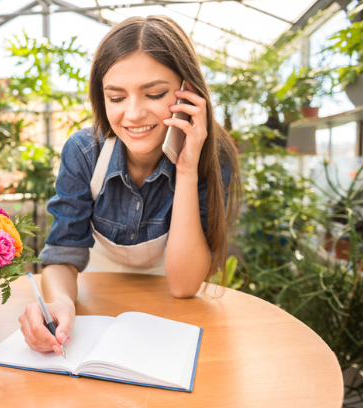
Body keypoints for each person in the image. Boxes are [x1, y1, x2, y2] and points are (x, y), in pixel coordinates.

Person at [18, 15, 241, 356]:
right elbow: (63, 252)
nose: (133, 114)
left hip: (172, 309)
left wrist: (186, 168)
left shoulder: (213, 155)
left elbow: (183, 286)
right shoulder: (84, 152)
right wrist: (60, 302)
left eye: (153, 93)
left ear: (188, 92)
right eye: (117, 98)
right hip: (98, 304)